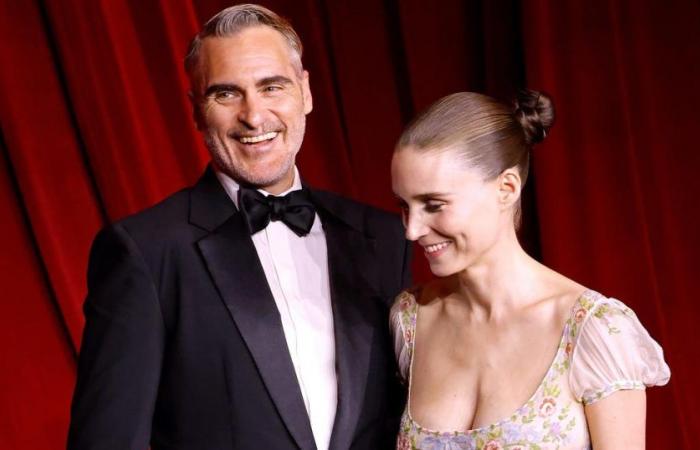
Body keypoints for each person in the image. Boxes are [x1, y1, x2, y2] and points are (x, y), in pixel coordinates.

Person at [67, 4, 410, 450]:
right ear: (196, 111)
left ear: (305, 92)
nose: (254, 115)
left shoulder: (382, 238)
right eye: (226, 94)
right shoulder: (145, 252)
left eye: (272, 87)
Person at [390, 90, 670, 449]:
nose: (412, 229)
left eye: (434, 204)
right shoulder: (411, 320)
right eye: (404, 205)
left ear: (506, 188)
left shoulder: (593, 329)